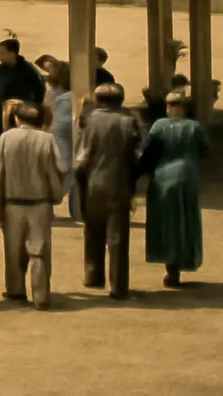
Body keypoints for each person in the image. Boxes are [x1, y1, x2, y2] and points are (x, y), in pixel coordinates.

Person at [0, 102, 65, 309]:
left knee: (13, 250)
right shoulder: (47, 139)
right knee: (39, 250)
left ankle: (16, 291)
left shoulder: (6, 138)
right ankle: (41, 295)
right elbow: (58, 167)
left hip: (12, 203)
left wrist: (0, 201)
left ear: (18, 119)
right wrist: (56, 194)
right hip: (40, 203)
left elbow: (0, 173)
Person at [75, 83, 141, 300]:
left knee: (93, 229)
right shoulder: (127, 121)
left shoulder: (89, 120)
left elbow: (81, 158)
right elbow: (135, 156)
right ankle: (118, 286)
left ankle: (93, 274)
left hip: (93, 182)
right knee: (117, 237)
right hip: (119, 183)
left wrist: (81, 183)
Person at [139, 90, 210, 287]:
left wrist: (139, 173)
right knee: (184, 221)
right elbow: (204, 149)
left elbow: (149, 152)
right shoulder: (194, 127)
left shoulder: (158, 126)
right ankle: (182, 260)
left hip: (162, 177)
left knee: (164, 223)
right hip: (187, 176)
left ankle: (170, 266)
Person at [0, 36, 46, 161]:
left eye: (2, 53)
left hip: (18, 116)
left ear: (13, 53)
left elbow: (39, 91)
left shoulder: (28, 71)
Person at [44, 60, 78, 221]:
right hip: (59, 136)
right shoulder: (60, 94)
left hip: (57, 135)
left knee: (61, 169)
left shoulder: (63, 97)